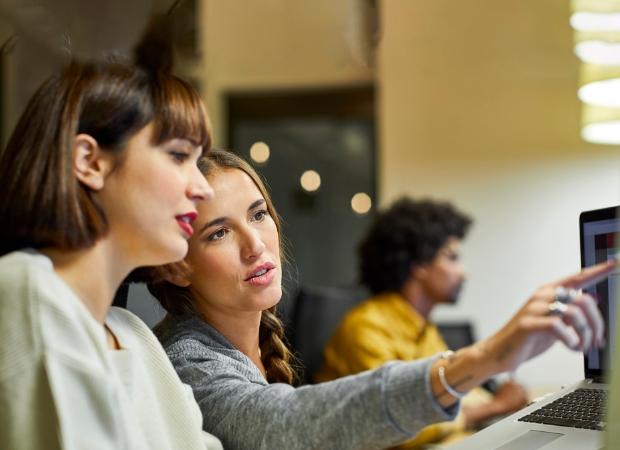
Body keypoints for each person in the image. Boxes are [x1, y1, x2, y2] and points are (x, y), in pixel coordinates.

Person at [149, 149, 613, 450]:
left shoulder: (249, 345)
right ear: (177, 262)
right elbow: (280, 424)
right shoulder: (186, 359)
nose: (256, 245)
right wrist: (487, 357)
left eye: (259, 215)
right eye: (219, 232)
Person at [0, 60, 223, 449]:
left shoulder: (133, 335)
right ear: (90, 161)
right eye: (178, 155)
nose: (203, 188)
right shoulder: (27, 290)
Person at [315, 198, 528, 448]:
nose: (463, 272)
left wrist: (510, 401)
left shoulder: (423, 328)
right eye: (452, 258)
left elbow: (456, 392)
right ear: (419, 265)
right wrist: (497, 405)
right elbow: (396, 423)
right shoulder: (364, 328)